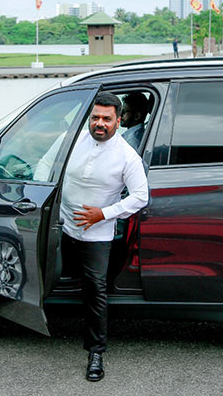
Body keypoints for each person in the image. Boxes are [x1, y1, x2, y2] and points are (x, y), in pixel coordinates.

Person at [59, 92, 149, 382]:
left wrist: (104, 213)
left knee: (95, 290)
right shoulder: (71, 140)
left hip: (96, 234)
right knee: (47, 274)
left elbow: (140, 197)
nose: (100, 123)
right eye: (95, 117)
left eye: (106, 119)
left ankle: (95, 353)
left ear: (118, 121)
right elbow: (48, 168)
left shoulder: (126, 156)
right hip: (58, 225)